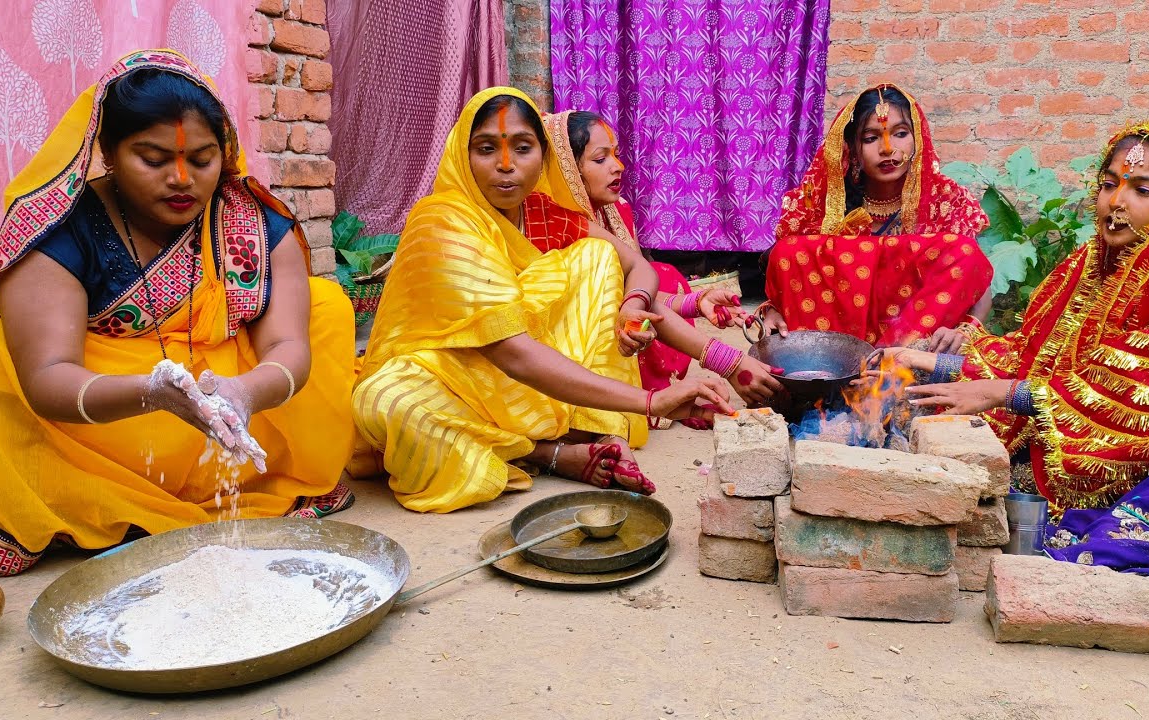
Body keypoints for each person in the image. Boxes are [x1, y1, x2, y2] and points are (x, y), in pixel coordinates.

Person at [0, 50, 358, 577]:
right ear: (108, 152)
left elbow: (289, 346)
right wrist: (154, 393)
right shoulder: (57, 229)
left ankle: (261, 478)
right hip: (103, 425)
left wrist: (244, 393)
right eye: (154, 159)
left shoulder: (251, 222)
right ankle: (95, 498)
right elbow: (47, 377)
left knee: (325, 307)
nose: (182, 179)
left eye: (202, 160)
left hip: (226, 410)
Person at [888, 119, 1149, 586]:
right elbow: (1034, 357)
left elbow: (1147, 391)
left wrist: (1006, 393)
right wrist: (940, 364)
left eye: (1142, 190)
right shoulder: (1092, 263)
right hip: (1102, 438)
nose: (1116, 202)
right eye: (1109, 184)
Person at [352, 87, 732, 513]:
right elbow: (511, 352)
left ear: (544, 156)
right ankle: (545, 452)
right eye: (486, 149)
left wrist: (631, 305)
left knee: (596, 256)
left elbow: (636, 267)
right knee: (385, 401)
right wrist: (650, 402)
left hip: (539, 369)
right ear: (462, 155)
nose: (506, 165)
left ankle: (595, 431)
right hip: (463, 373)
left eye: (522, 148)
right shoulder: (442, 219)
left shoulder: (543, 212)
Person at [536, 110, 782, 408]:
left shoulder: (616, 209)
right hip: (560, 353)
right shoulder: (552, 224)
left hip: (625, 315)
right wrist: (727, 361)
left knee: (663, 275)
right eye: (600, 159)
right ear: (564, 169)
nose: (618, 166)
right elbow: (620, 297)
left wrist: (697, 303)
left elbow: (637, 292)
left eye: (615, 155)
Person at [763, 84, 993, 347]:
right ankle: (829, 359)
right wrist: (773, 310)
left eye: (901, 134)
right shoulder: (824, 204)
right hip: (836, 337)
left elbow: (975, 279)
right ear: (852, 149)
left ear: (918, 139)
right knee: (789, 250)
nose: (887, 148)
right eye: (871, 138)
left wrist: (967, 329)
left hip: (913, 341)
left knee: (964, 251)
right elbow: (793, 276)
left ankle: (888, 357)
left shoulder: (945, 201)